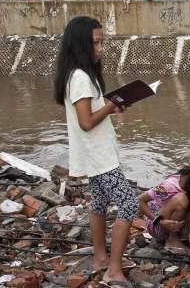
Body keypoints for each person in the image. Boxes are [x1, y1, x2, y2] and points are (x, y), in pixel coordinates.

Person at [53, 17, 137, 287]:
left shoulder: (81, 74)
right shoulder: (79, 77)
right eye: (96, 43)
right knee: (129, 204)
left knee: (99, 204)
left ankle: (101, 258)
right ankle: (114, 270)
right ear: (80, 45)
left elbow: (92, 114)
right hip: (99, 156)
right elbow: (86, 122)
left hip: (96, 154)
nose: (101, 48)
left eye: (102, 42)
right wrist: (111, 105)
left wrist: (112, 105)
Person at [138, 162, 190, 255]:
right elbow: (140, 200)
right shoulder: (169, 186)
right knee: (181, 199)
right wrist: (159, 221)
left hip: (178, 225)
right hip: (158, 226)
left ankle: (185, 237)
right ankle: (172, 240)